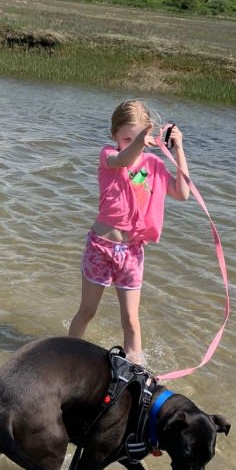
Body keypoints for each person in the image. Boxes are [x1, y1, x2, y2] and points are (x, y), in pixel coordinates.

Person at [68, 98, 190, 364]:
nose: (132, 143)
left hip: (132, 252)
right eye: (126, 137)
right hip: (101, 247)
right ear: (114, 135)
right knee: (87, 311)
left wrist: (178, 148)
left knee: (132, 322)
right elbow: (123, 159)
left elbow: (183, 193)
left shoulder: (152, 166)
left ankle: (137, 374)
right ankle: (67, 358)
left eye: (137, 137)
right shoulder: (108, 156)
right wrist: (139, 142)